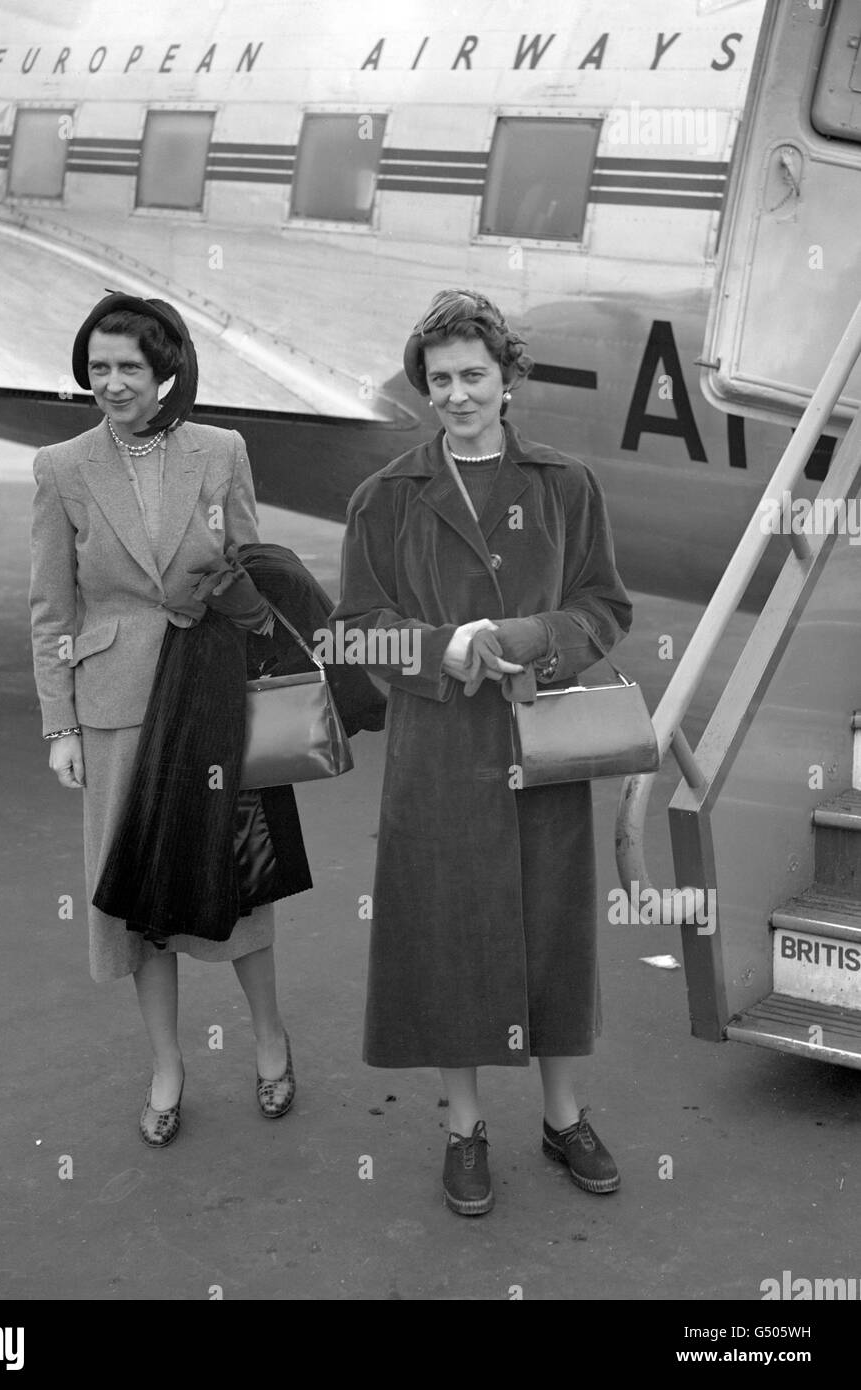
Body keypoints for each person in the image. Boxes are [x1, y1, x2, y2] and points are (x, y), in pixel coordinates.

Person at [330, 288, 633, 1215]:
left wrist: (529, 633)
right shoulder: (385, 497)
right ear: (423, 388)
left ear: (509, 380)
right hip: (437, 751)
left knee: (552, 929)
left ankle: (562, 1113)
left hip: (539, 741)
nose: (457, 395)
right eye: (440, 380)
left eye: (474, 376)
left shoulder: (564, 485)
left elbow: (604, 608)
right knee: (446, 937)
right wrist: (441, 648)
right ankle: (463, 1125)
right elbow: (353, 634)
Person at [28, 291, 296, 1147]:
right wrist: (59, 727)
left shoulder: (222, 451)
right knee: (141, 900)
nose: (112, 383)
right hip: (113, 707)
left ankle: (269, 1042)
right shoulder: (61, 468)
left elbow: (259, 579)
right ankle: (168, 1066)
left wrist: (262, 674)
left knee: (237, 881)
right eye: (98, 367)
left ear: (166, 369)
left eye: (129, 368)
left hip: (210, 700)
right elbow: (50, 610)